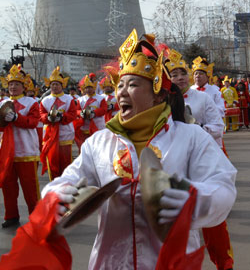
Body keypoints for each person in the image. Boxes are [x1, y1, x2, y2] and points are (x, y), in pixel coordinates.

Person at [42, 30, 237, 269]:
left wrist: (191, 198)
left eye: (132, 84)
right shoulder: (100, 143)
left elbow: (223, 187)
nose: (122, 91)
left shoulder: (191, 137)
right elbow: (65, 181)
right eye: (119, 85)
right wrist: (58, 197)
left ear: (157, 96)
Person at [166, 48, 234, 270]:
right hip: (175, 166)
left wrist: (197, 127)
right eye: (173, 75)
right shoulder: (162, 101)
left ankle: (224, 263)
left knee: (212, 221)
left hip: (202, 163)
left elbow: (218, 127)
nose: (179, 78)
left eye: (182, 73)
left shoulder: (203, 98)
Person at [0, 65, 41, 228]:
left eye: (16, 84)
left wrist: (16, 118)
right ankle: (11, 216)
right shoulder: (2, 103)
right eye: (11, 84)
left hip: (27, 150)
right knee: (8, 186)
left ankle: (36, 218)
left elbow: (33, 123)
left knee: (30, 188)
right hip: (7, 152)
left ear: (24, 86)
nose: (13, 87)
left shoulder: (32, 102)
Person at [40, 67, 78, 180]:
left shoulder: (68, 99)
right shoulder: (45, 100)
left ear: (62, 85)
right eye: (52, 84)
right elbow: (41, 116)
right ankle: (54, 186)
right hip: (50, 136)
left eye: (57, 84)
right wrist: (48, 117)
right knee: (52, 163)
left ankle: (67, 185)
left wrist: (62, 117)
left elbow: (72, 114)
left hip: (65, 136)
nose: (54, 86)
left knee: (66, 164)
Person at [75, 75, 107, 151]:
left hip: (98, 126)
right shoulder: (81, 99)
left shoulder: (100, 98)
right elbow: (76, 111)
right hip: (84, 127)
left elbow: (104, 109)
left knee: (98, 148)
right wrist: (81, 113)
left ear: (94, 88)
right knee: (85, 148)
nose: (88, 90)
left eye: (90, 87)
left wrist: (94, 113)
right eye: (86, 88)